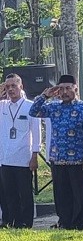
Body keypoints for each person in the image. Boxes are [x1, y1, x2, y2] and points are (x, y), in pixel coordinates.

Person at [29, 75, 83, 230]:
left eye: (68, 88)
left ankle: (78, 224)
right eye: (61, 89)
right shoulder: (53, 107)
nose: (64, 92)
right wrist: (45, 95)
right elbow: (33, 111)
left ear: (75, 88)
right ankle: (64, 222)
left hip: (78, 159)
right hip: (58, 158)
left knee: (79, 194)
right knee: (61, 194)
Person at [0, 74, 41, 228]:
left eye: (13, 86)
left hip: (24, 157)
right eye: (7, 86)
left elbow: (36, 133)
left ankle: (25, 222)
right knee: (8, 193)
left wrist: (35, 155)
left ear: (21, 87)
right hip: (5, 157)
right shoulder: (3, 105)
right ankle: (10, 220)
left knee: (24, 193)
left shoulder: (30, 106)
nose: (10, 90)